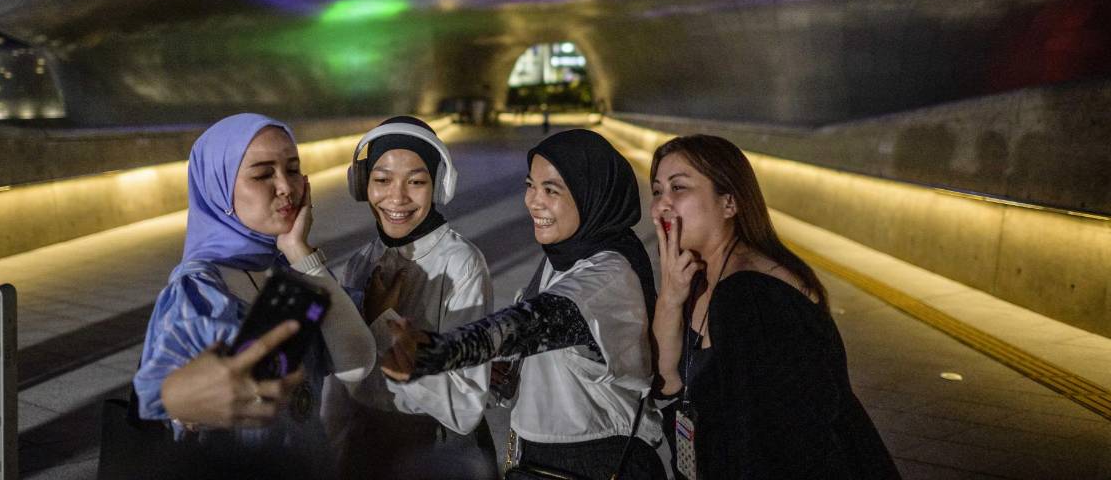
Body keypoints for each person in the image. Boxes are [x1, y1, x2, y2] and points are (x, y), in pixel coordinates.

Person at [383, 129, 666, 480]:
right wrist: (509, 370)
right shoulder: (564, 257)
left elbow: (530, 324)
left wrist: (438, 350)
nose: (533, 201)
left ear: (590, 194)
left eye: (551, 190)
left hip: (594, 463)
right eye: (530, 185)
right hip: (545, 461)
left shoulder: (608, 275)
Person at [131, 113, 375, 478]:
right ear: (220, 190)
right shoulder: (199, 291)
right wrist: (183, 405)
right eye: (263, 175)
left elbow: (357, 364)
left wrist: (301, 253)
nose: (286, 187)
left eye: (293, 169)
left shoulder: (291, 270)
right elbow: (168, 406)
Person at [650, 134, 900, 480]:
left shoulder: (752, 296)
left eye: (678, 188)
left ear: (729, 203)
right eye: (657, 191)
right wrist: (670, 296)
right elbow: (668, 380)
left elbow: (777, 441)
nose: (661, 205)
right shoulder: (698, 275)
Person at [323, 116, 496, 479]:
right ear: (362, 184)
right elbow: (342, 386)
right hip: (365, 444)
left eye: (416, 182)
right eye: (382, 180)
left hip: (433, 453)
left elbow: (466, 407)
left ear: (439, 185)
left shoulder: (461, 264)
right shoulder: (360, 262)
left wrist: (384, 326)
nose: (397, 197)